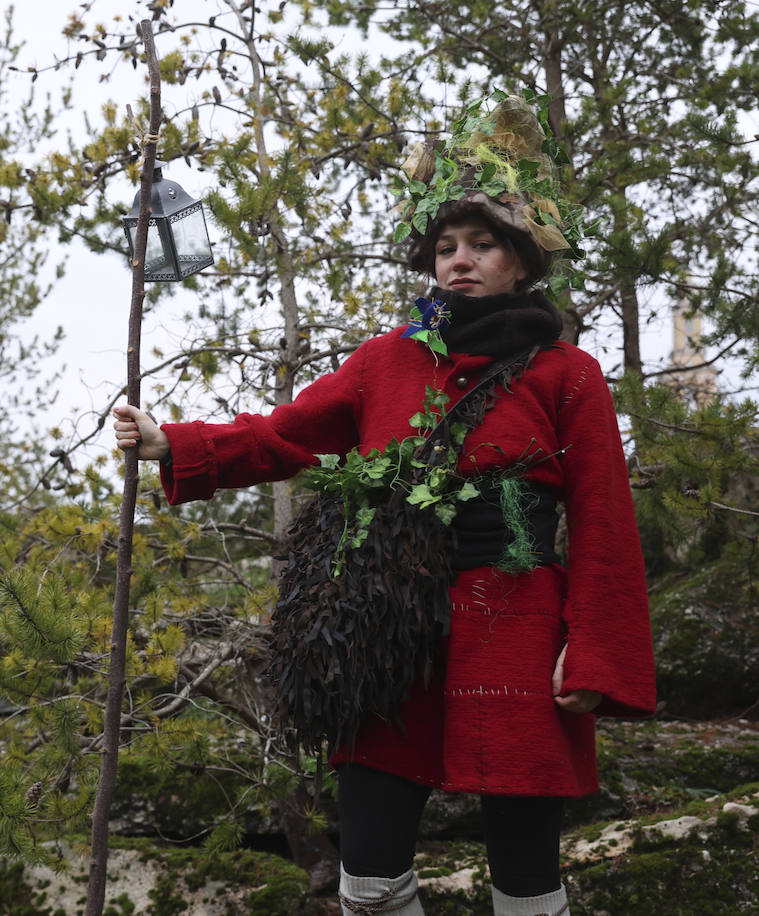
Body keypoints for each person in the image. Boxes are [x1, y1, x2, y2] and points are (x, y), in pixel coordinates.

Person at [114, 95, 655, 916]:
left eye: (482, 244)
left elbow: (605, 521)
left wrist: (595, 653)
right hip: (387, 634)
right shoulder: (384, 363)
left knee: (525, 876)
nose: (460, 261)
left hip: (518, 627)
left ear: (521, 260)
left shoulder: (566, 374)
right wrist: (177, 444)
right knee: (368, 877)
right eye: (446, 247)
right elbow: (284, 435)